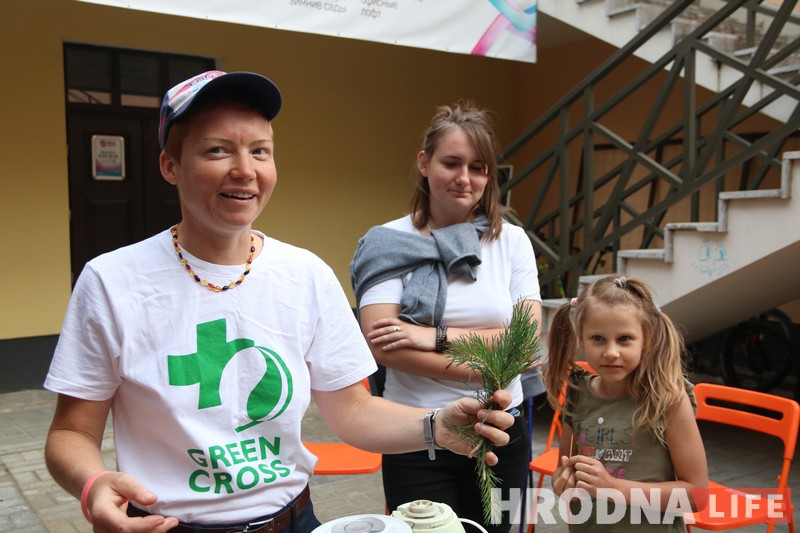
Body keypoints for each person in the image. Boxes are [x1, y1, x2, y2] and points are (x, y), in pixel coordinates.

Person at [43, 71, 518, 533]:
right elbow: (71, 434)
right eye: (217, 150)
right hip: (164, 524)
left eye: (260, 151)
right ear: (171, 166)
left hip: (293, 521)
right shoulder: (112, 281)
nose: (245, 170)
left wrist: (435, 425)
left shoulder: (306, 275)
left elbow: (352, 409)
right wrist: (93, 484)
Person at [350, 102, 542, 533]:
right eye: (451, 163)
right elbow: (382, 346)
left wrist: (432, 337)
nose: (464, 178)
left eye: (478, 167)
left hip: (498, 430)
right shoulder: (386, 243)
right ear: (424, 163)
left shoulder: (511, 241)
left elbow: (526, 345)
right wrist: (492, 359)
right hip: (415, 433)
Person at [545, 276, 708, 532]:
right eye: (597, 338)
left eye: (624, 339)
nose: (611, 352)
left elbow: (696, 495)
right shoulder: (578, 393)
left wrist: (612, 487)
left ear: (646, 339)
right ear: (581, 339)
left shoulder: (667, 399)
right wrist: (563, 483)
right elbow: (563, 471)